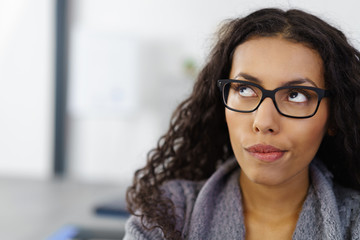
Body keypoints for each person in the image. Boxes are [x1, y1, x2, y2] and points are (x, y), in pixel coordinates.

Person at [124, 8, 360, 240]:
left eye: (296, 95)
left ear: (334, 117)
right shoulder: (165, 214)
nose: (263, 122)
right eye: (245, 89)